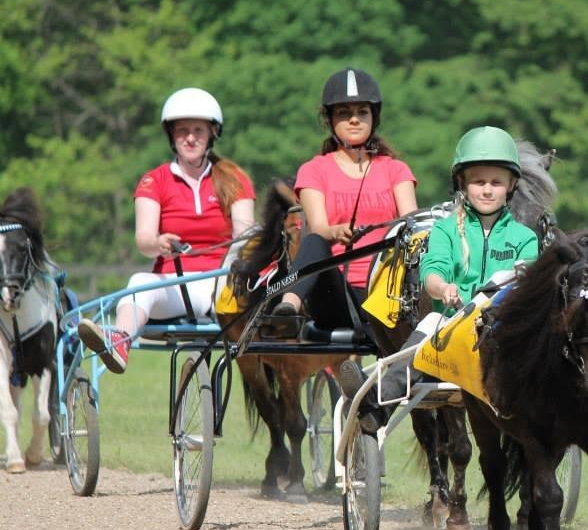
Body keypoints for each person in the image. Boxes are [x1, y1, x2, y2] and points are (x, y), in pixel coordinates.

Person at [338, 126, 539, 433]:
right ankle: (378, 400)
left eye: (496, 182)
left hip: (503, 331)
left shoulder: (525, 238)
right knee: (429, 324)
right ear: (462, 183)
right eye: (478, 181)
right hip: (452, 325)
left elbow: (527, 282)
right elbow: (432, 273)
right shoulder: (445, 230)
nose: (487, 190)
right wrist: (442, 287)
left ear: (511, 185)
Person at [78, 88, 256, 373]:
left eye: (198, 130)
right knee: (138, 283)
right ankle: (119, 340)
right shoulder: (154, 181)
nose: (190, 137)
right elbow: (144, 240)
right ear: (171, 136)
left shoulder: (235, 179)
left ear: (212, 133)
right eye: (182, 130)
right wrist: (159, 243)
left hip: (222, 284)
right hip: (174, 283)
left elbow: (245, 236)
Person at [264, 67, 417, 334]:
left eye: (362, 112)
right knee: (315, 239)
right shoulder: (314, 170)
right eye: (344, 113)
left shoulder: (396, 170)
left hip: (387, 291)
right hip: (335, 295)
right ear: (331, 120)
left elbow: (413, 225)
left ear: (374, 117)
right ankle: (288, 307)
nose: (354, 120)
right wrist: (336, 231)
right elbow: (319, 226)